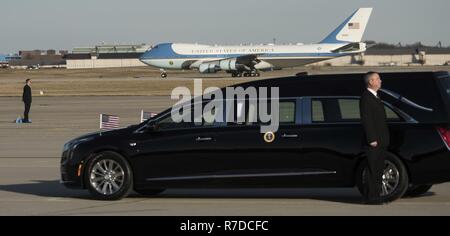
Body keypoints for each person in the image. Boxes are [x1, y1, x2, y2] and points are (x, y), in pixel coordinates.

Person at [359, 72, 390, 204]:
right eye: (377, 78)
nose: (380, 80)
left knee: (378, 168)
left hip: (381, 139)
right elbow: (367, 119)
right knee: (373, 169)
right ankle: (373, 197)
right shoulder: (366, 98)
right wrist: (371, 138)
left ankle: (374, 195)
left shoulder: (375, 97)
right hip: (374, 141)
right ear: (370, 82)